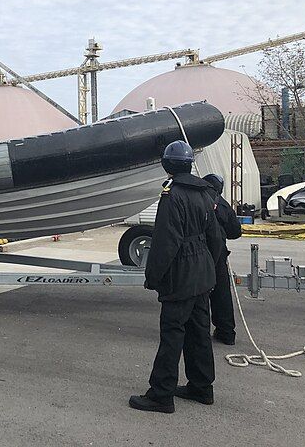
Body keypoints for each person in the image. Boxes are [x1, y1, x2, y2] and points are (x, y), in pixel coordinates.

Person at [129, 140, 224, 414]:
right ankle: (202, 386)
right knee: (199, 333)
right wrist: (211, 267)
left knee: (172, 333)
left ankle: (161, 394)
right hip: (203, 274)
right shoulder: (205, 193)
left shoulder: (172, 195)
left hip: (181, 275)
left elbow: (165, 242)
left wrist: (153, 276)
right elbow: (215, 237)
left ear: (167, 165)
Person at [202, 173, 242, 345]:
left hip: (199, 254)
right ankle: (226, 333)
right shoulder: (223, 205)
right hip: (218, 254)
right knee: (222, 294)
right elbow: (235, 232)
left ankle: (200, 332)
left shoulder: (197, 200)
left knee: (198, 294)